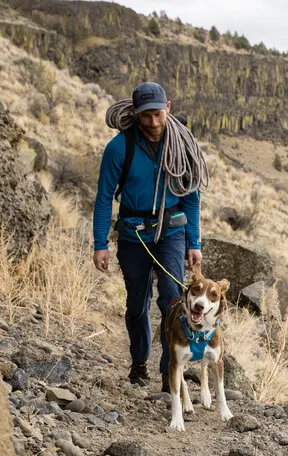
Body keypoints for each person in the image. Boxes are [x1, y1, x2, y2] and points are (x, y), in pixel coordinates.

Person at [92, 82, 202, 393]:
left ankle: (171, 374)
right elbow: (103, 198)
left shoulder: (184, 146)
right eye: (146, 117)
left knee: (172, 300)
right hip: (133, 234)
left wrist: (194, 242)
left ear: (167, 108)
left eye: (157, 114)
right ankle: (139, 362)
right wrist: (100, 244)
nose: (153, 123)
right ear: (135, 115)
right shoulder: (119, 148)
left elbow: (191, 198)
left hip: (171, 232)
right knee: (137, 305)